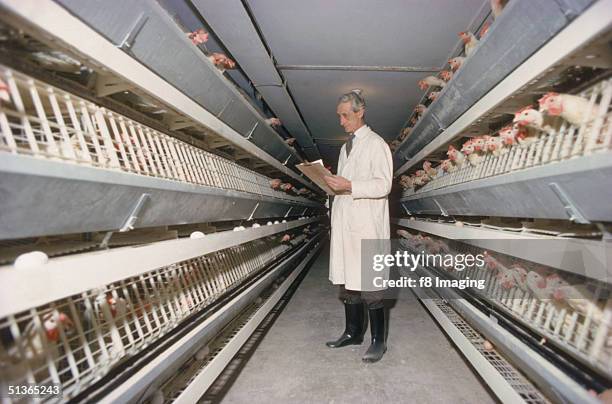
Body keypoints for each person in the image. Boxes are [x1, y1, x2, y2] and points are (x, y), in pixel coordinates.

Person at [323, 89, 393, 363]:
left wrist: (350, 185)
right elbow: (345, 182)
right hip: (346, 220)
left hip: (366, 224)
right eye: (339, 116)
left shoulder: (377, 144)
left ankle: (378, 342)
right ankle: (353, 332)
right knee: (348, 281)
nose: (341, 121)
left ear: (360, 112)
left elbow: (383, 185)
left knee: (370, 286)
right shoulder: (345, 147)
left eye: (345, 115)